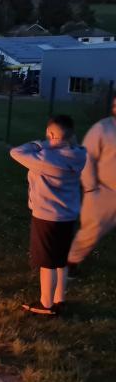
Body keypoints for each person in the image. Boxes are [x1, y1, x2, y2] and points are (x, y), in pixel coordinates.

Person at [10, 115, 86, 315]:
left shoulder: (45, 158)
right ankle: (59, 299)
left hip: (47, 216)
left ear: (52, 135)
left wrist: (39, 143)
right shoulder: (78, 154)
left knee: (47, 262)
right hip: (68, 215)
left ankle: (46, 305)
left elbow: (15, 152)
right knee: (61, 259)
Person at [67, 96, 116, 276]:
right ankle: (70, 263)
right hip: (103, 192)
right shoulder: (103, 129)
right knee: (91, 231)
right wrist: (90, 187)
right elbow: (86, 158)